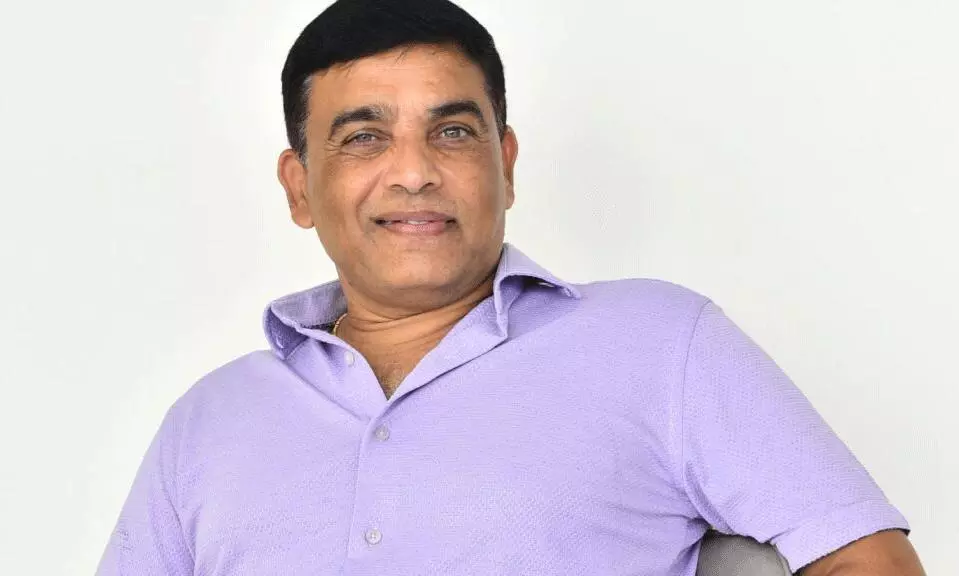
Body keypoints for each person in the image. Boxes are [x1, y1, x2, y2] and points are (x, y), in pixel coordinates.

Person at [96, 0, 925, 574]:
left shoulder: (659, 343)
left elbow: (867, 561)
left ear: (506, 164)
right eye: (364, 138)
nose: (414, 172)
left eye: (453, 131)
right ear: (299, 186)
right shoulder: (207, 422)